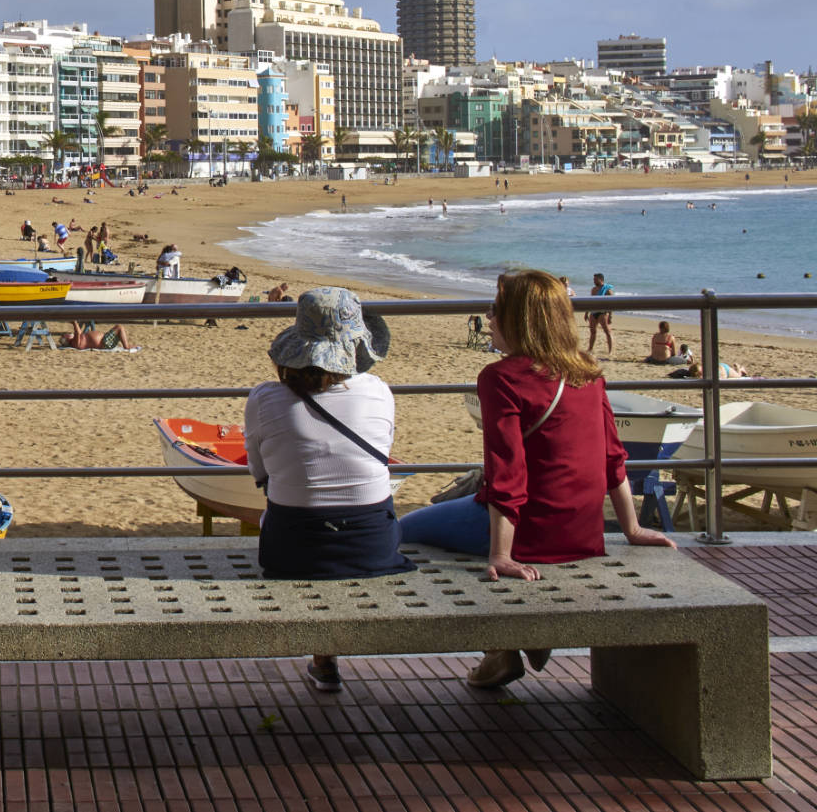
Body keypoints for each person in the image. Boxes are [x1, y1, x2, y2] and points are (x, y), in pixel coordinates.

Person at [398, 269, 674, 689]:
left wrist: (501, 556)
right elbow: (612, 457)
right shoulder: (587, 371)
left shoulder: (501, 377)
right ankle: (511, 645)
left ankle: (506, 643)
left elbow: (506, 473)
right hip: (583, 532)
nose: (488, 316)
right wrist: (632, 528)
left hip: (530, 532)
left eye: (496, 308)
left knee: (403, 530)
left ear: (519, 318)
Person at [245, 287, 411, 692]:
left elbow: (260, 475)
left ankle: (323, 658)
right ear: (356, 346)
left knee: (285, 509)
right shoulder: (378, 391)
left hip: (291, 552)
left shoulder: (265, 398)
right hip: (372, 546)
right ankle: (325, 656)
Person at [586, 273, 614, 354]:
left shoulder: (608, 290)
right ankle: (590, 349)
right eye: (593, 279)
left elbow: (611, 304)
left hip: (603, 313)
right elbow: (590, 301)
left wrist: (610, 316)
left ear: (601, 279)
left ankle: (610, 351)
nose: (594, 281)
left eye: (595, 279)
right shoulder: (593, 289)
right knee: (593, 331)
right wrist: (586, 312)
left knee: (607, 332)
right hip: (593, 312)